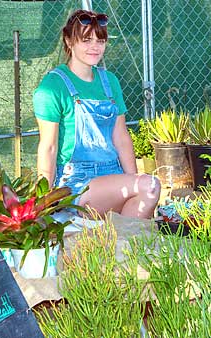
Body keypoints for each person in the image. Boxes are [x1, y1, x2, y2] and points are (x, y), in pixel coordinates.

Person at [33, 9, 161, 219]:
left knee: (146, 192)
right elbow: (49, 146)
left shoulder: (110, 81)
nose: (94, 46)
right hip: (76, 183)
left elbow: (121, 137)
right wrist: (44, 199)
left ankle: (121, 248)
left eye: (100, 40)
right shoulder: (52, 86)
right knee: (150, 184)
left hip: (114, 174)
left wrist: (132, 180)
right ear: (68, 40)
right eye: (86, 40)